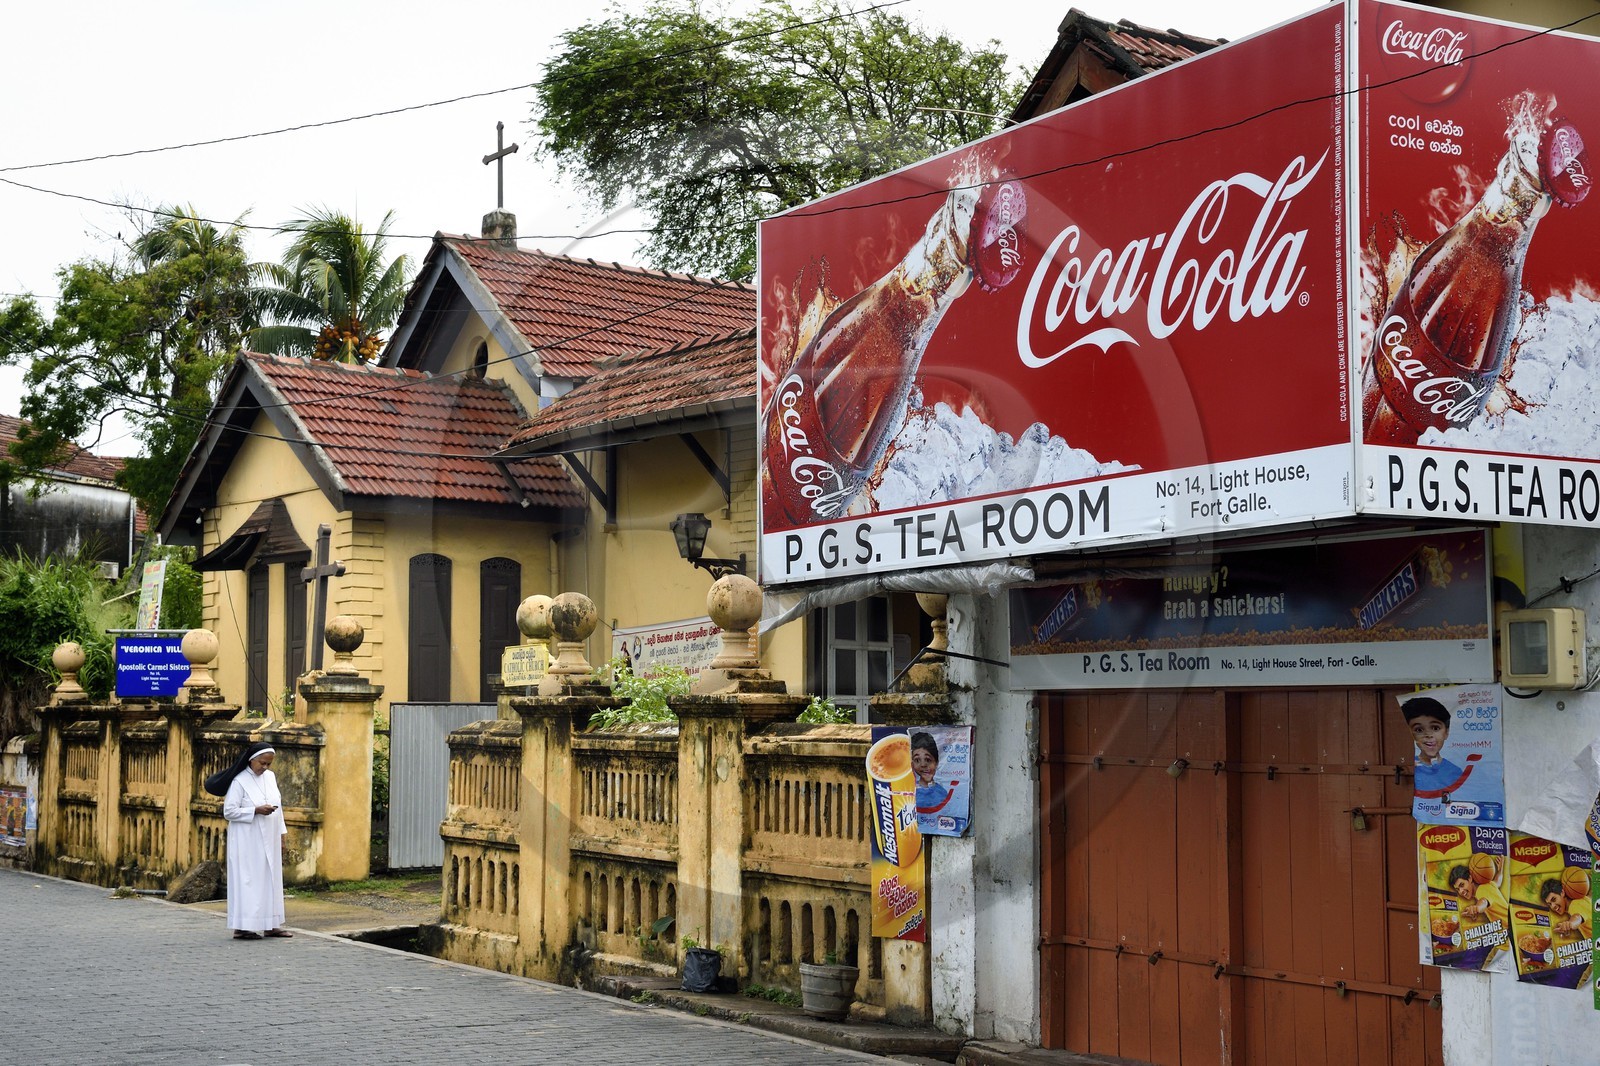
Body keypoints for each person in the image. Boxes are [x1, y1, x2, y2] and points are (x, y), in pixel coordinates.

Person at [220, 741, 293, 940]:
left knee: (271, 880)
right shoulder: (240, 781)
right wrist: (255, 810)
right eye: (262, 763)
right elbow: (229, 811)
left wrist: (282, 835)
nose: (265, 767)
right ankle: (243, 927)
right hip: (247, 840)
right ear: (252, 760)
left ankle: (271, 924)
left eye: (268, 764)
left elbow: (279, 809)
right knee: (249, 881)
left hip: (270, 837)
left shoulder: (270, 777)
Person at [1404, 697, 1465, 796]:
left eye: (1435, 728)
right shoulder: (1407, 768)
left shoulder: (1455, 772)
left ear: (1446, 732)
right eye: (1419, 730)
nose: (1428, 735)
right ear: (1410, 734)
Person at [1449, 864, 1507, 929]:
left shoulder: (1480, 891)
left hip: (1510, 929)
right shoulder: (1488, 885)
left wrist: (1476, 908)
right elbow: (1497, 881)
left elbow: (1484, 901)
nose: (1460, 891)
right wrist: (1500, 869)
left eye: (1462, 885)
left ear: (1469, 878)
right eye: (1458, 889)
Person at [1541, 877, 1592, 942]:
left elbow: (1577, 917)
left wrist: (1570, 924)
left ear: (1562, 892)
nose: (1552, 906)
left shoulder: (1574, 905)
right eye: (1549, 904)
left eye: (1554, 899)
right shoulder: (1583, 899)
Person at [911, 731, 949, 813]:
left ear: (937, 762)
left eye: (928, 760)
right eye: (917, 760)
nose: (923, 765)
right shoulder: (910, 791)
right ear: (912, 763)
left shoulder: (942, 793)